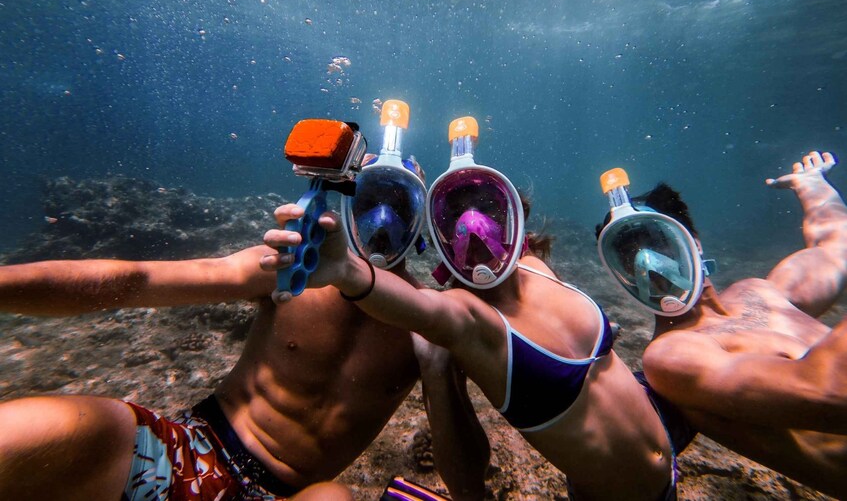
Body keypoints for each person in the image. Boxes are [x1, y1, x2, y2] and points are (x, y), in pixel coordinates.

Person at [0, 104, 489, 500]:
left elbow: (467, 487)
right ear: (346, 200)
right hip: (188, 449)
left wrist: (440, 373)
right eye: (370, 198)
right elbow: (136, 280)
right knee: (47, 430)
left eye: (401, 205)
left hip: (286, 493)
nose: (383, 219)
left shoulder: (429, 323)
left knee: (331, 499)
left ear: (423, 219)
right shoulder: (292, 263)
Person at [264, 117, 695, 500]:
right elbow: (421, 309)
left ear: (511, 214)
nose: (473, 225)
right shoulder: (465, 316)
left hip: (665, 451)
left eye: (485, 208)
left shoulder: (534, 265)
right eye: (455, 217)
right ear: (438, 236)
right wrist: (346, 271)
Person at [594, 150, 847, 498]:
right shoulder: (672, 355)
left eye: (657, 243)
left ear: (692, 242)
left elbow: (835, 247)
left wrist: (812, 184)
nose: (648, 266)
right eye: (628, 256)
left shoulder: (761, 291)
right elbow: (828, 391)